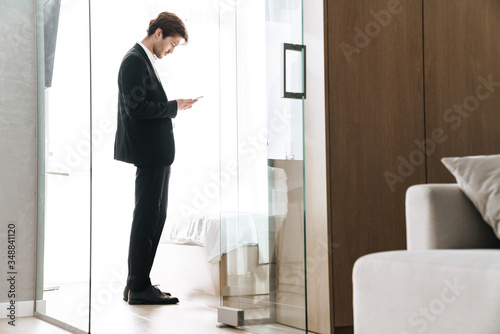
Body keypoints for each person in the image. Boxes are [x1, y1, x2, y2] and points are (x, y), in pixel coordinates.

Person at [114, 11, 196, 305]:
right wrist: (172, 106)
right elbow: (136, 109)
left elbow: (147, 104)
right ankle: (138, 287)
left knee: (154, 216)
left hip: (156, 154)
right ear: (158, 33)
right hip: (149, 154)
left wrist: (174, 105)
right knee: (147, 217)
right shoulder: (134, 60)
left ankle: (137, 284)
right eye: (173, 43)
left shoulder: (144, 60)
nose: (172, 50)